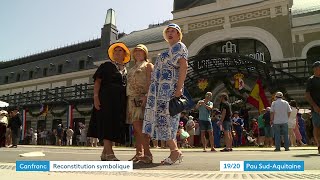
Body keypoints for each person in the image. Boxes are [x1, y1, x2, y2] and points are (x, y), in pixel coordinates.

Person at [141, 23, 188, 165]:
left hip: (168, 91)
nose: (170, 33)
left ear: (179, 34)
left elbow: (184, 67)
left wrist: (179, 88)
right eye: (168, 31)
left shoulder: (180, 46)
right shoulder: (169, 50)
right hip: (158, 92)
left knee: (166, 120)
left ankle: (175, 152)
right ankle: (174, 152)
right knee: (162, 120)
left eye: (173, 31)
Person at [87, 42, 130, 161]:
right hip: (106, 99)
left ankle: (104, 153)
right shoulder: (106, 65)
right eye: (115, 51)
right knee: (107, 124)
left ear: (124, 54)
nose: (117, 52)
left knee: (113, 125)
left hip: (120, 102)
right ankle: (110, 153)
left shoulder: (126, 70)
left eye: (120, 51)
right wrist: (95, 97)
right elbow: (97, 82)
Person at [126, 44, 154, 162]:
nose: (138, 53)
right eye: (136, 51)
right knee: (136, 128)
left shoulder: (148, 65)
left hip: (141, 97)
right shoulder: (132, 68)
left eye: (140, 51)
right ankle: (139, 153)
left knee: (140, 126)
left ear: (145, 53)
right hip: (131, 99)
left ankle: (147, 154)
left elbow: (150, 81)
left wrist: (147, 96)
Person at [305, 61, 320, 154]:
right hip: (316, 108)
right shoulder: (311, 80)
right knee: (317, 126)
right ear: (315, 69)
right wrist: (314, 106)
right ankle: (319, 145)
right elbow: (307, 94)